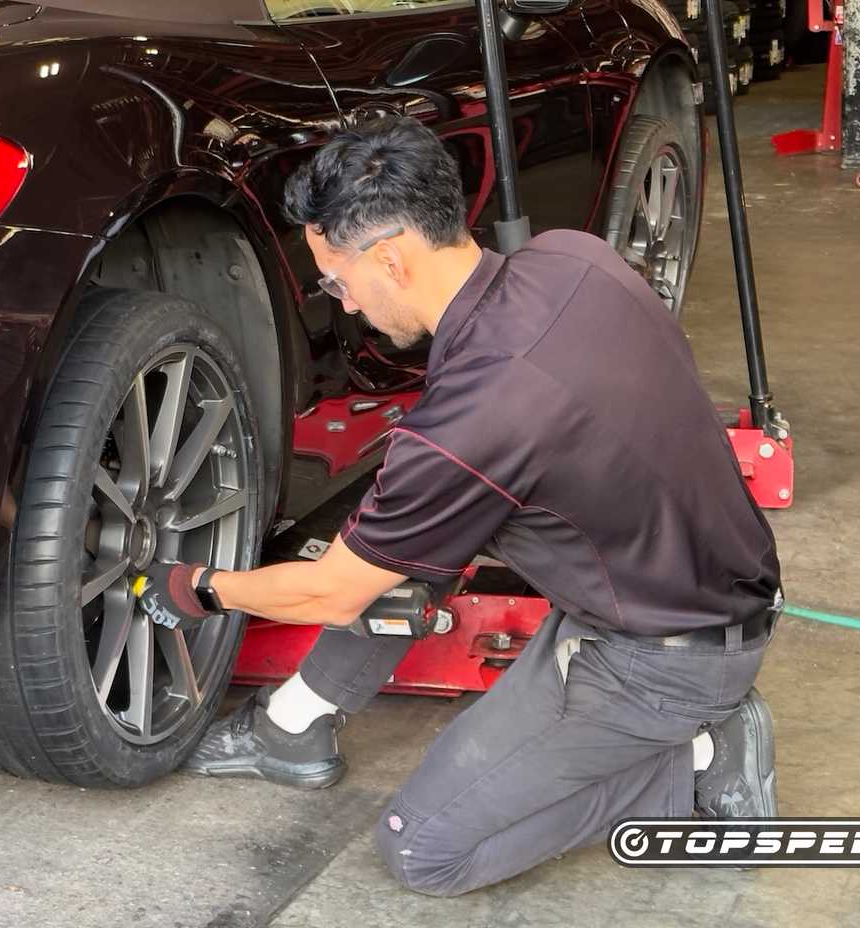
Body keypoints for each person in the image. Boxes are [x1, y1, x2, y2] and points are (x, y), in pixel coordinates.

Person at [130, 114, 783, 898]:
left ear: (392, 259)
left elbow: (329, 592)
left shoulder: (478, 418)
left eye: (337, 282)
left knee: (424, 851)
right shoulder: (572, 257)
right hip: (705, 578)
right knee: (404, 545)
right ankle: (294, 725)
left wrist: (198, 587)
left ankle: (703, 761)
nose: (340, 306)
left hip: (658, 658)